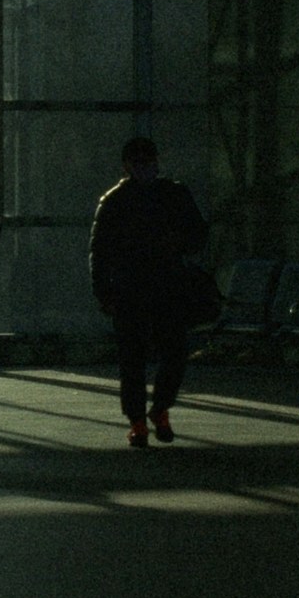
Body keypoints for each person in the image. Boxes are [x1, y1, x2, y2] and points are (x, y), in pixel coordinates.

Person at [89, 131, 211, 447]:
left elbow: (99, 252)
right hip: (167, 286)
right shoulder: (174, 195)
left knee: (134, 359)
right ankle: (158, 410)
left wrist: (104, 293)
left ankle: (139, 421)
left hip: (131, 289)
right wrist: (176, 243)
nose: (144, 169)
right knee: (172, 352)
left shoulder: (114, 202)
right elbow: (199, 237)